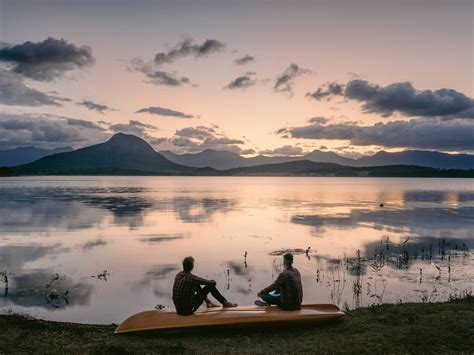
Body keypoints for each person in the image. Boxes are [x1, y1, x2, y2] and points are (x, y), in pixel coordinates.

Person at [172, 256, 237, 315]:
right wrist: (212, 281)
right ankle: (225, 303)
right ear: (192, 267)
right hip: (188, 311)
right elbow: (212, 283)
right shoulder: (192, 278)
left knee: (197, 284)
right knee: (210, 286)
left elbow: (196, 280)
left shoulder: (178, 275)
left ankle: (208, 303)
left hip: (179, 310)